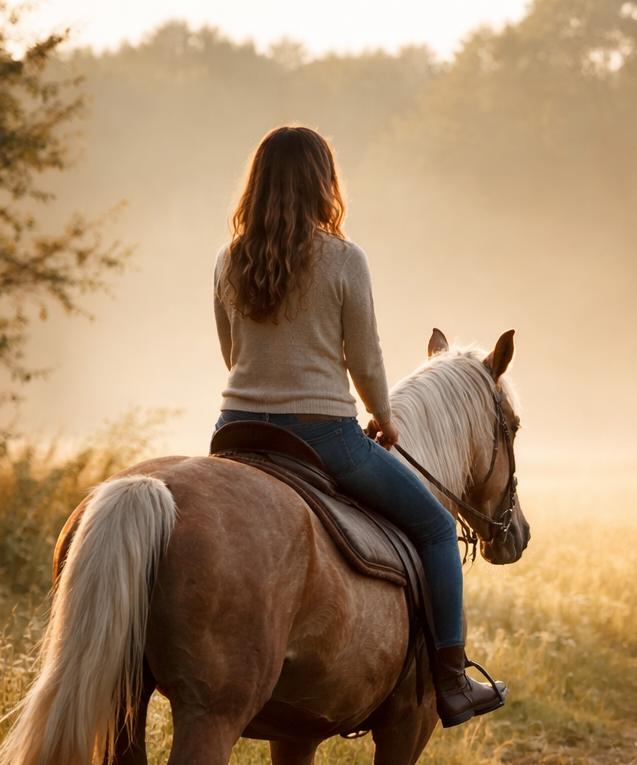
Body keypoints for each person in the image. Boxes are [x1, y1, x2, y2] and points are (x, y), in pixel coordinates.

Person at [210, 125, 505, 728]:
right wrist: (385, 419)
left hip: (234, 433)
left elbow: (231, 353)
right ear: (325, 182)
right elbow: (364, 357)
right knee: (431, 526)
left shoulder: (227, 259)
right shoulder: (344, 259)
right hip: (322, 437)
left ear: (257, 183)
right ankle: (451, 682)